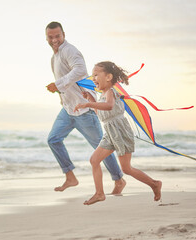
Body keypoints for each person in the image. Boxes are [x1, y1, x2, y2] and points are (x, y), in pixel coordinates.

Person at [45, 21, 126, 193]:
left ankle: (119, 179)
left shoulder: (70, 51)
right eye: (50, 37)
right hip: (68, 110)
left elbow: (80, 70)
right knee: (53, 139)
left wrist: (58, 85)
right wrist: (61, 96)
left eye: (57, 36)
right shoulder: (55, 57)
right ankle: (70, 177)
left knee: (101, 147)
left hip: (85, 112)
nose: (54, 40)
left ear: (63, 35)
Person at [74, 61, 162, 205]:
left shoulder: (111, 92)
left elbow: (109, 106)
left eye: (96, 75)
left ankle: (154, 184)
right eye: (92, 75)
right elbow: (101, 113)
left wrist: (88, 104)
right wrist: (90, 99)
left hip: (120, 131)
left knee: (126, 168)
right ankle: (99, 194)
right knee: (94, 160)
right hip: (109, 132)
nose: (93, 78)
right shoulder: (101, 95)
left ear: (108, 77)